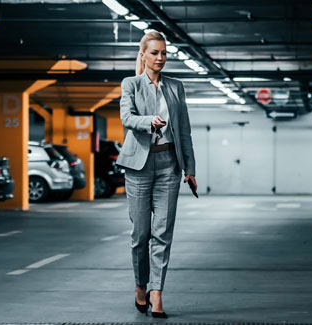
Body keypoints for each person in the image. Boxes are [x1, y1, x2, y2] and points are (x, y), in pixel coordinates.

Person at [115, 30, 197, 318]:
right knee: (141, 234)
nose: (160, 58)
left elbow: (184, 130)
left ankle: (157, 293)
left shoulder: (176, 87)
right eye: (155, 53)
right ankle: (140, 285)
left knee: (163, 233)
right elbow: (126, 118)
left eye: (164, 53)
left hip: (168, 166)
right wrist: (149, 121)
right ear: (144, 55)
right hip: (138, 166)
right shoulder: (131, 84)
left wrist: (190, 168)